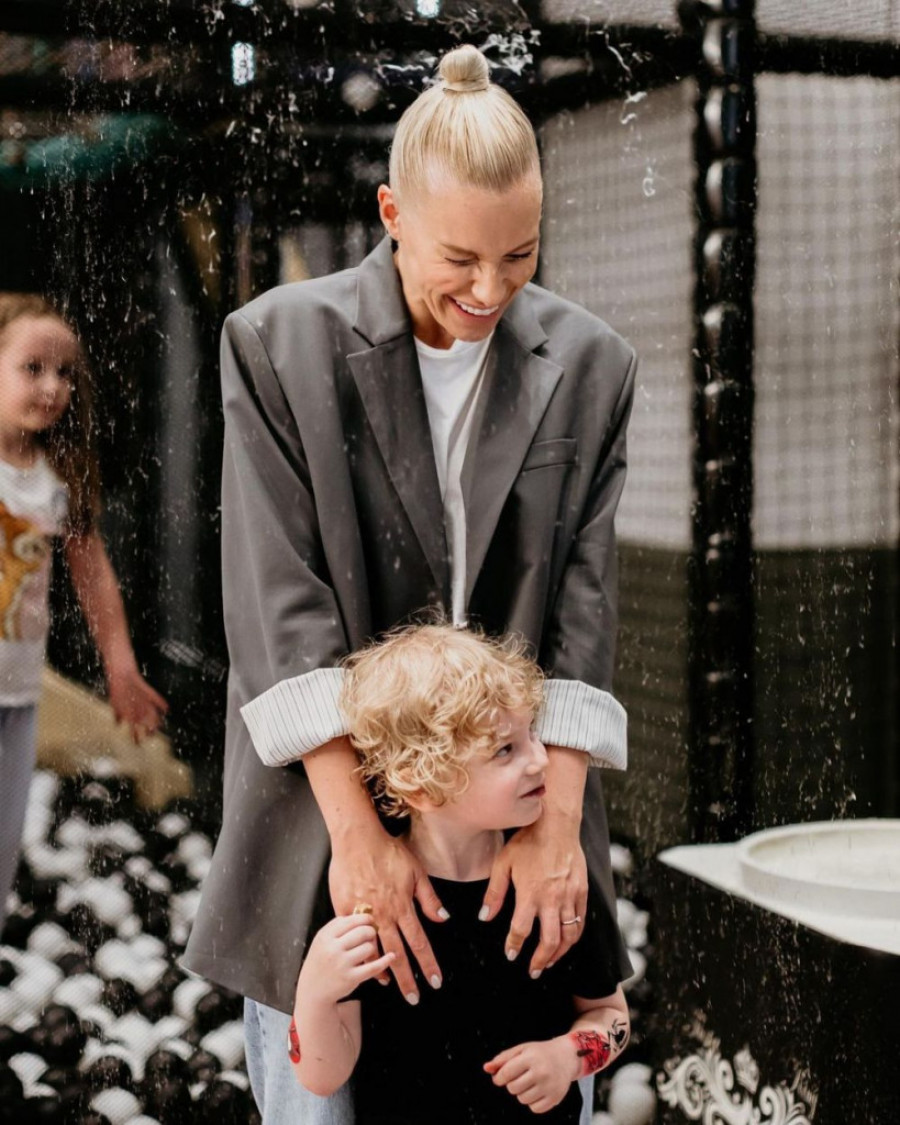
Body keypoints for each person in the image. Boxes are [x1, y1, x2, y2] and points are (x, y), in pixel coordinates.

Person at [183, 42, 637, 1125]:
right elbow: (279, 606)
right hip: (322, 804)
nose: (489, 290)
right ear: (391, 213)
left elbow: (583, 605)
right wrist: (357, 837)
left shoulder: (594, 365)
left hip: (518, 807)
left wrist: (556, 823)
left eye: (520, 255)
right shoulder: (276, 344)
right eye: (459, 258)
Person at [292, 623, 631, 1125]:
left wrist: (567, 1058)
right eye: (505, 750)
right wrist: (314, 994)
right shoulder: (373, 902)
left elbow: (612, 1017)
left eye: (533, 733)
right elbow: (322, 1077)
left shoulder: (554, 888)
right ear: (423, 784)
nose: (541, 759)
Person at [0, 293, 168, 930]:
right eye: (32, 368)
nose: (52, 387)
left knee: (3, 846)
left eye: (65, 372)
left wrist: (120, 668)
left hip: (18, 694)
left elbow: (93, 576)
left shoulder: (55, 476)